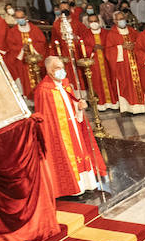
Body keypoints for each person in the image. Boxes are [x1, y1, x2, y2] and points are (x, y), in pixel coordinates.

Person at [33, 55, 108, 198]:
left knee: (80, 152)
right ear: (49, 71)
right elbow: (46, 119)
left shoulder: (66, 83)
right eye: (58, 68)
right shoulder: (43, 90)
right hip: (59, 134)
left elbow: (72, 103)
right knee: (68, 158)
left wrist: (80, 106)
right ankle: (74, 188)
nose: (62, 71)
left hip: (73, 125)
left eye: (62, 67)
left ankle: (87, 183)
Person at [4, 9, 47, 94]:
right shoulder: (12, 32)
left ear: (26, 17)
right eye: (18, 18)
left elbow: (42, 42)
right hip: (22, 61)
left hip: (36, 60)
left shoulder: (34, 29)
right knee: (25, 79)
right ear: (15, 19)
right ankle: (29, 100)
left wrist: (32, 47)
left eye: (22, 17)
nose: (20, 19)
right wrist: (22, 48)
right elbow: (11, 46)